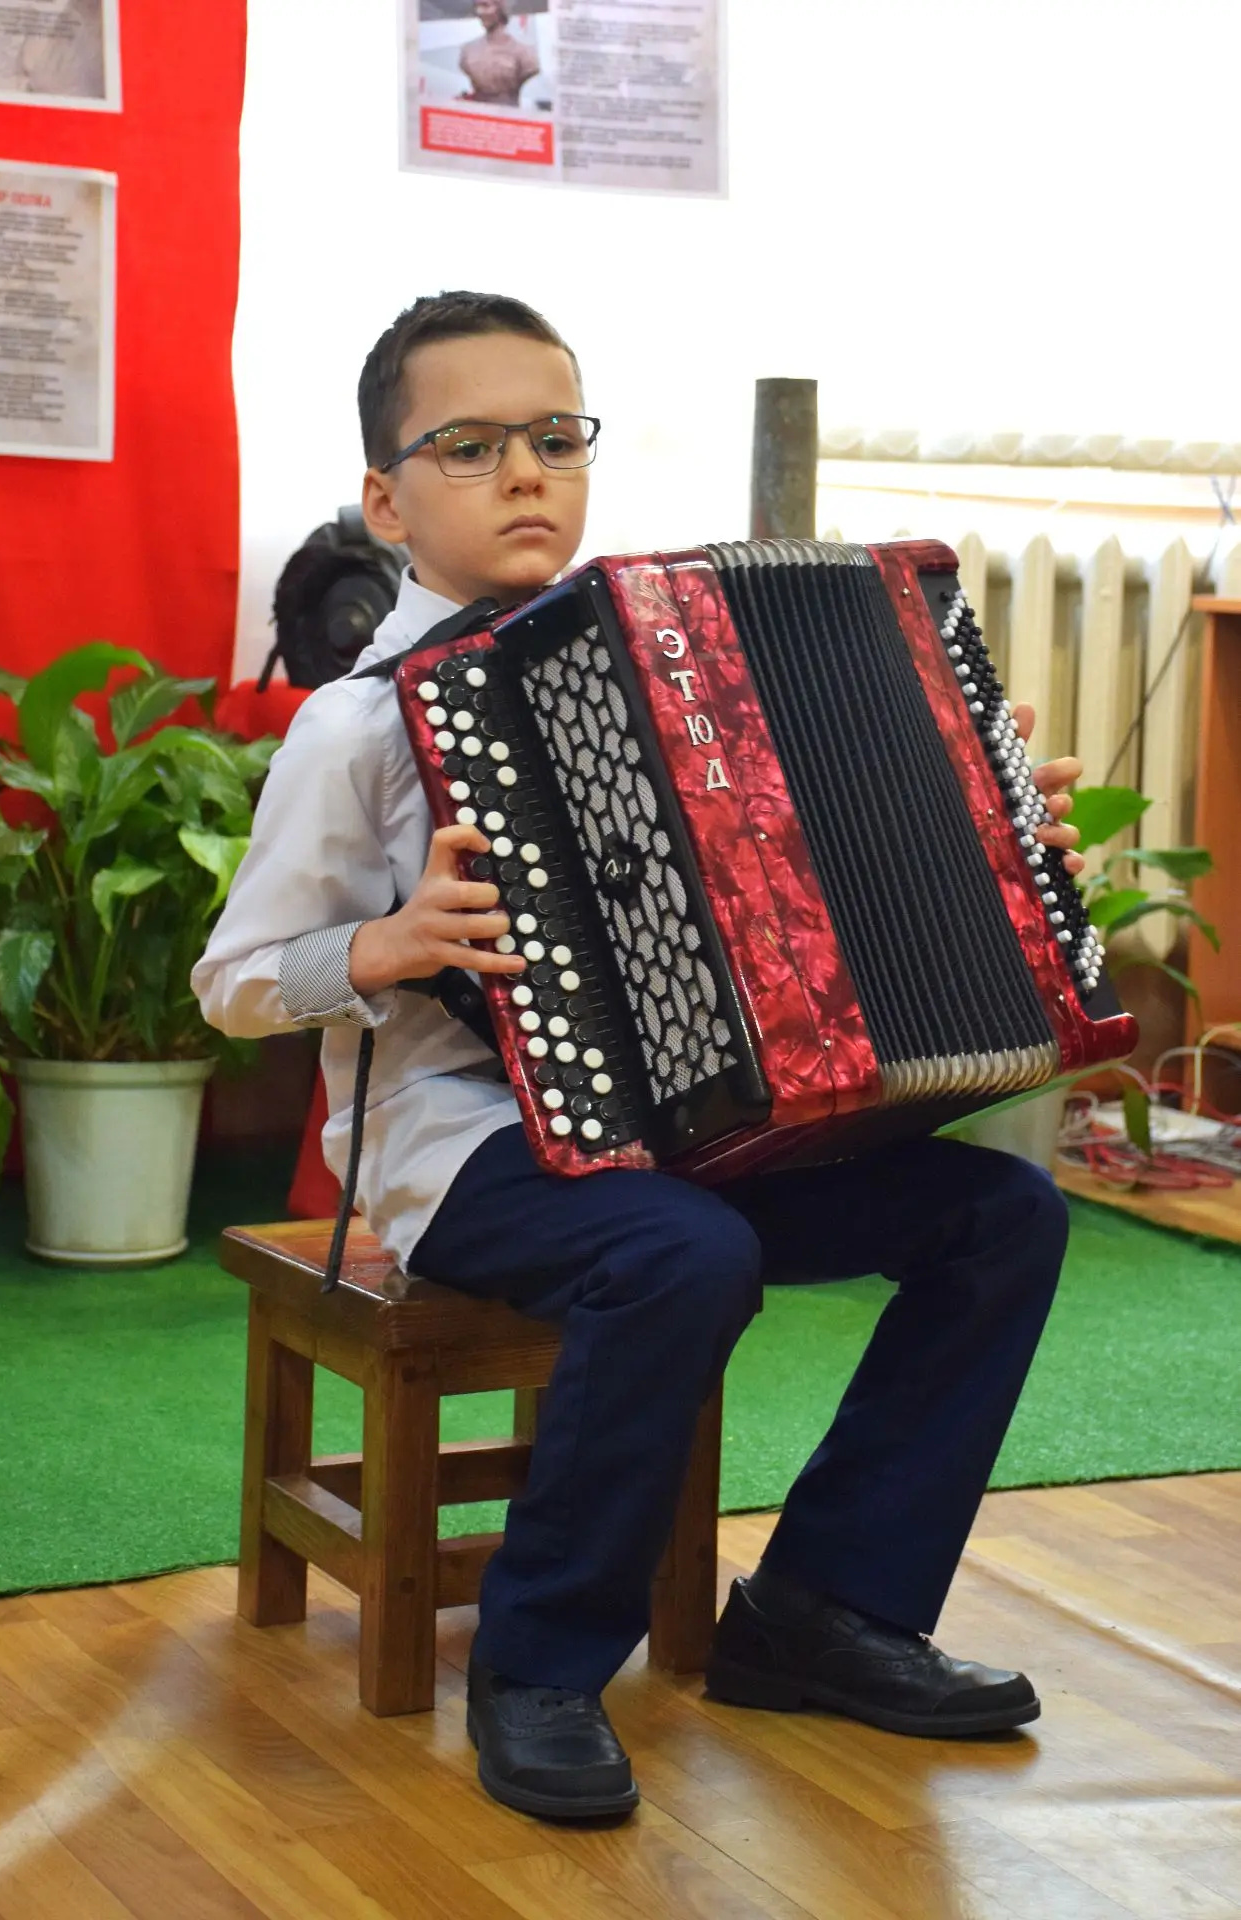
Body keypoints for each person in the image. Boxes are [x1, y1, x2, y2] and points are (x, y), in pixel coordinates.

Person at [193, 290, 1086, 1826]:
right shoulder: (352, 730)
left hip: (691, 1134)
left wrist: (990, 844)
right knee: (678, 1254)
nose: (524, 472)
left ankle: (824, 1609)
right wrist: (382, 948)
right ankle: (535, 1667)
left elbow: (807, 881)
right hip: (460, 1147)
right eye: (469, 447)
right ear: (387, 500)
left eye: (553, 436)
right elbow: (231, 982)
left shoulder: (671, 664)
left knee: (1001, 1218)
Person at [458, 0, 540, 109]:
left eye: (486, 6)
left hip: (510, 114)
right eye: (477, 6)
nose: (479, 11)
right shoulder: (468, 50)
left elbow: (531, 69)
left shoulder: (523, 52)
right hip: (478, 115)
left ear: (501, 7)